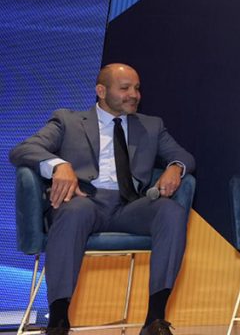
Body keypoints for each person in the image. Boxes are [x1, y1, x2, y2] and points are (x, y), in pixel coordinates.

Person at [9, 63, 195, 335]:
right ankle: (58, 320)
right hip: (85, 201)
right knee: (74, 212)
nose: (134, 95)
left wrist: (175, 167)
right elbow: (23, 149)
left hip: (130, 206)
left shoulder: (151, 125)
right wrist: (59, 165)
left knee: (171, 212)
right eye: (125, 88)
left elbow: (184, 156)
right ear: (101, 91)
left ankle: (155, 319)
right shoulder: (68, 121)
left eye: (137, 88)